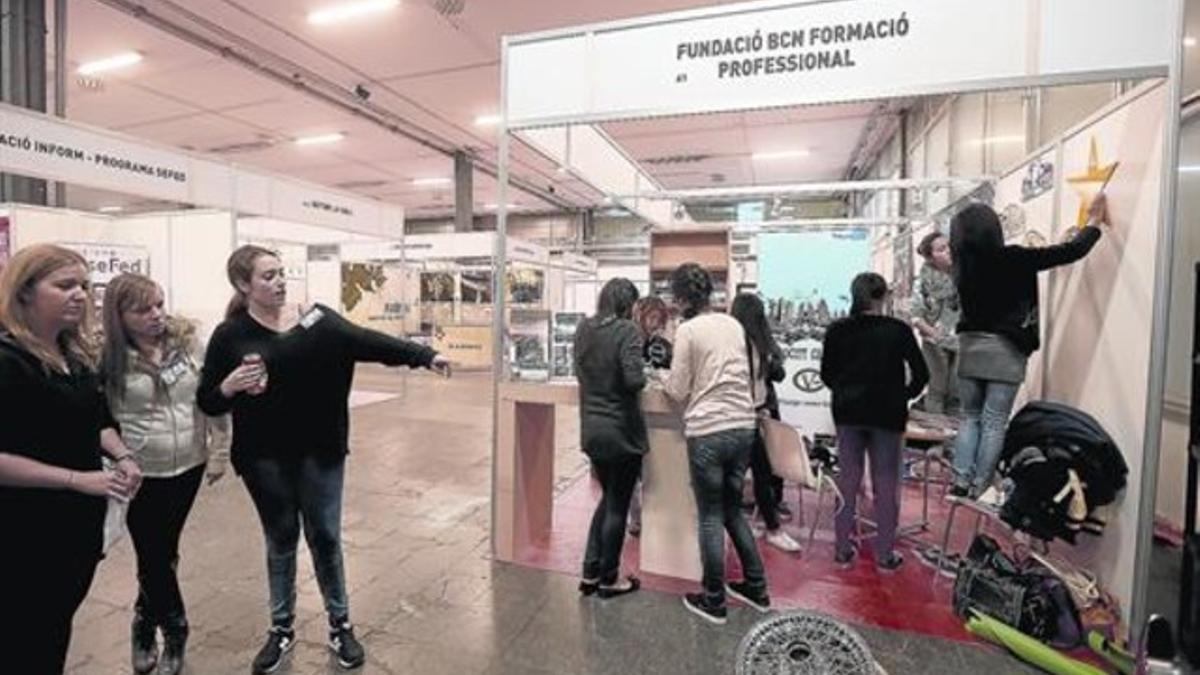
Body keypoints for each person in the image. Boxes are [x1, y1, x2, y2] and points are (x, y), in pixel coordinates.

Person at [196, 245, 451, 673]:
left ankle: (340, 623)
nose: (279, 282)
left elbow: (368, 341)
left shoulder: (318, 321)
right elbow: (208, 401)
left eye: (281, 273)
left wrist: (425, 356)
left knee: (326, 538)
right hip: (263, 459)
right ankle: (281, 629)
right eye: (268, 276)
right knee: (280, 541)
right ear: (243, 285)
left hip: (322, 452)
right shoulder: (230, 335)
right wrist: (229, 386)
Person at [0, 244, 143, 674]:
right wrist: (76, 480)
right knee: (21, 639)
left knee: (52, 631)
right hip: (22, 534)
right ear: (24, 292)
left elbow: (96, 419)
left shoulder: (74, 356)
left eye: (84, 285)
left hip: (75, 530)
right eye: (64, 285)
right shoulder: (9, 362)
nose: (80, 295)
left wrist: (123, 455)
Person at [100, 273, 231, 675]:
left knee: (164, 549)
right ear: (119, 316)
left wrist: (220, 452)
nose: (156, 315)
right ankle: (173, 629)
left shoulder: (188, 342)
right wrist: (119, 458)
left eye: (159, 304)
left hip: (187, 465)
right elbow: (100, 417)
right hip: (139, 471)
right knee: (153, 554)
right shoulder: (105, 356)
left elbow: (211, 398)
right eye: (143, 310)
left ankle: (144, 617)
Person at [949, 195, 1108, 498]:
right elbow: (1071, 251)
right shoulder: (1015, 258)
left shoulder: (962, 268)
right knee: (995, 422)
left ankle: (960, 479)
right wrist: (1094, 223)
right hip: (1005, 350)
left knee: (969, 416)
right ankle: (980, 485)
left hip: (969, 348)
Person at [664, 263, 769, 625]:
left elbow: (677, 390)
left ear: (680, 298)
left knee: (710, 516)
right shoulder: (733, 324)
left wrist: (662, 379)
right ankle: (756, 586)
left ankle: (713, 599)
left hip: (708, 429)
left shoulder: (687, 330)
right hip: (743, 426)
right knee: (732, 510)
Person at [820, 273, 929, 573]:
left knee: (848, 481)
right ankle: (884, 553)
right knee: (885, 483)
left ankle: (843, 548)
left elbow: (826, 374)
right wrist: (903, 395)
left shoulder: (837, 331)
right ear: (883, 298)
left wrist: (845, 391)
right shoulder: (898, 330)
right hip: (887, 415)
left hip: (848, 413)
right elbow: (922, 374)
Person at [575, 278, 646, 599]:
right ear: (628, 303)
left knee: (608, 501)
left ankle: (590, 574)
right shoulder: (627, 331)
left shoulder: (584, 329)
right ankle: (609, 579)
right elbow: (633, 380)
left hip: (592, 429)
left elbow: (581, 372)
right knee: (617, 506)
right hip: (622, 431)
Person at [731, 293, 801, 553]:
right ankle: (770, 527)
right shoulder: (758, 341)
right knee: (760, 472)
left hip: (748, 415)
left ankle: (767, 525)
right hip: (752, 415)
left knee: (754, 472)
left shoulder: (744, 342)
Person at [911, 231, 960, 415]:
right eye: (941, 249)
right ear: (931, 257)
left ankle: (956, 439)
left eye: (949, 246)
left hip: (962, 340)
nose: (948, 251)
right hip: (934, 341)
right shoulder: (923, 281)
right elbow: (915, 315)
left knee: (959, 392)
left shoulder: (962, 273)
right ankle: (936, 432)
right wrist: (934, 334)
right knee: (937, 390)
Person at [633, 295, 673, 370]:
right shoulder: (627, 343)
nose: (656, 324)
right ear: (639, 317)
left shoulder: (660, 345)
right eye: (652, 317)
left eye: (660, 319)